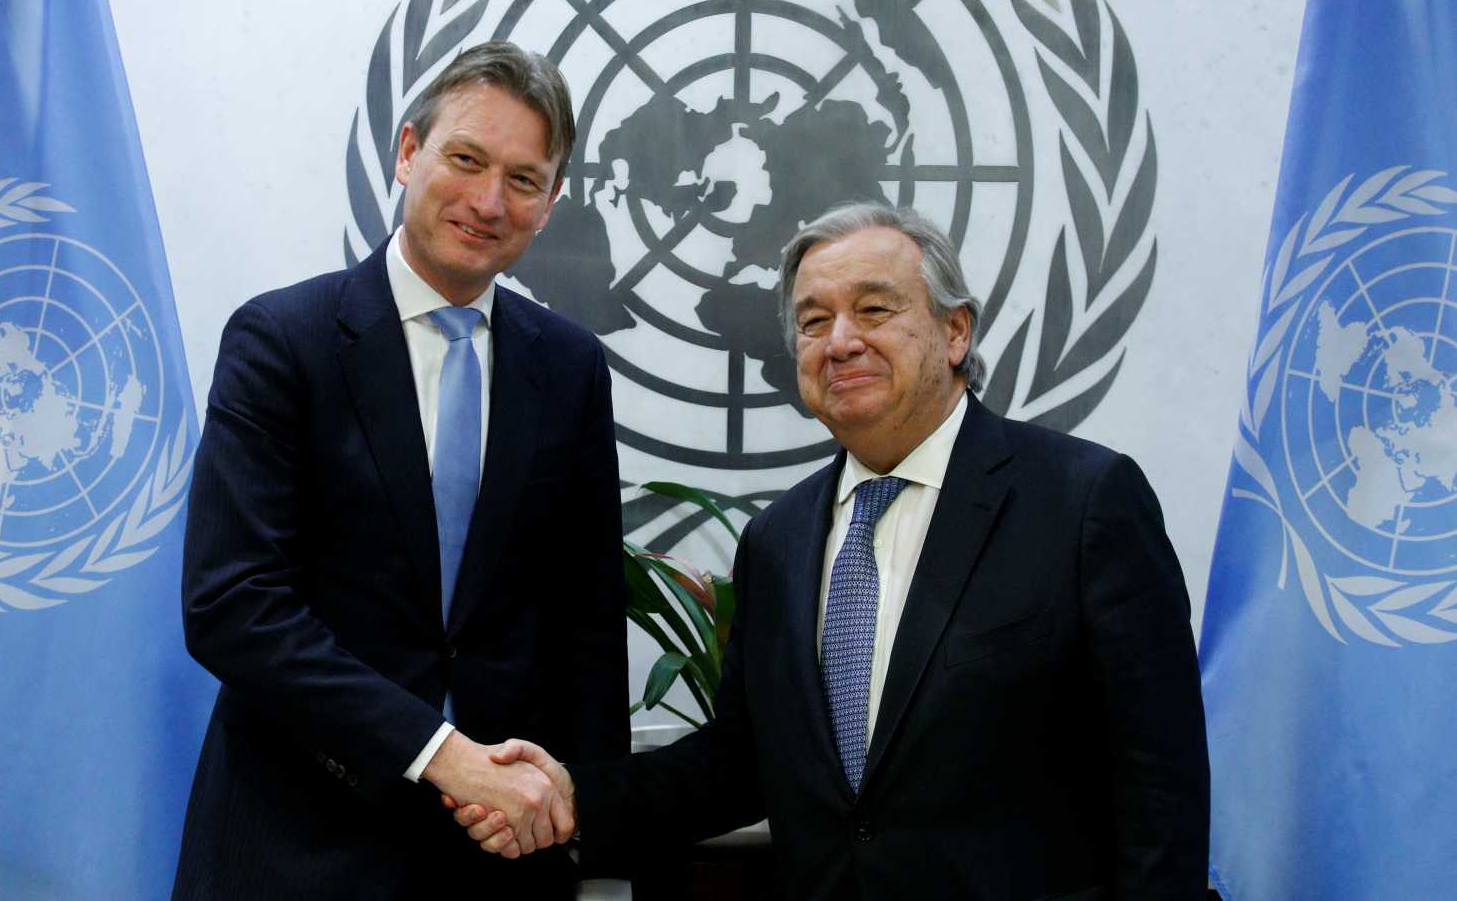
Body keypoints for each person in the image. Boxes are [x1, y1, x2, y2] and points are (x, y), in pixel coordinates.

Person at [459, 203, 1210, 899]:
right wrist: (569, 795)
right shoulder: (777, 541)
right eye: (814, 321)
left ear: (956, 332)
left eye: (875, 309)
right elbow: (739, 764)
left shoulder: (1083, 502)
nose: (841, 339)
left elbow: (1160, 783)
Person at [172, 41, 628, 900]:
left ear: (552, 202)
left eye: (525, 180)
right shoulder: (283, 343)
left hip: (500, 863)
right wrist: (442, 756)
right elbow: (232, 605)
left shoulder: (569, 368)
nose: (489, 201)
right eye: (466, 159)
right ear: (409, 152)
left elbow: (589, 616)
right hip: (296, 849)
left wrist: (579, 813)